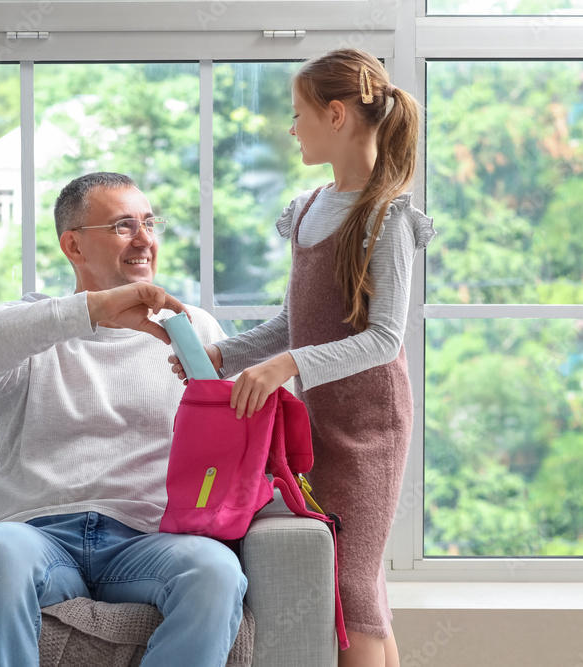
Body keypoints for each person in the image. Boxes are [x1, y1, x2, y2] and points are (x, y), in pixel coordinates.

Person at [170, 50, 435, 667]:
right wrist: (223, 353)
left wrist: (287, 367)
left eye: (298, 114)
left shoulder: (387, 216)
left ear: (336, 115)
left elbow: (383, 340)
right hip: (319, 420)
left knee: (351, 582)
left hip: (371, 423)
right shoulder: (311, 208)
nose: (291, 128)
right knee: (353, 581)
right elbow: (295, 323)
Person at [0, 172, 245, 667]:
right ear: (74, 246)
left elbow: (243, 431)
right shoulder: (36, 328)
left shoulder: (194, 329)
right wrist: (93, 310)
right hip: (39, 536)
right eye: (124, 226)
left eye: (150, 223)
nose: (146, 239)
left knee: (216, 569)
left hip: (150, 541)